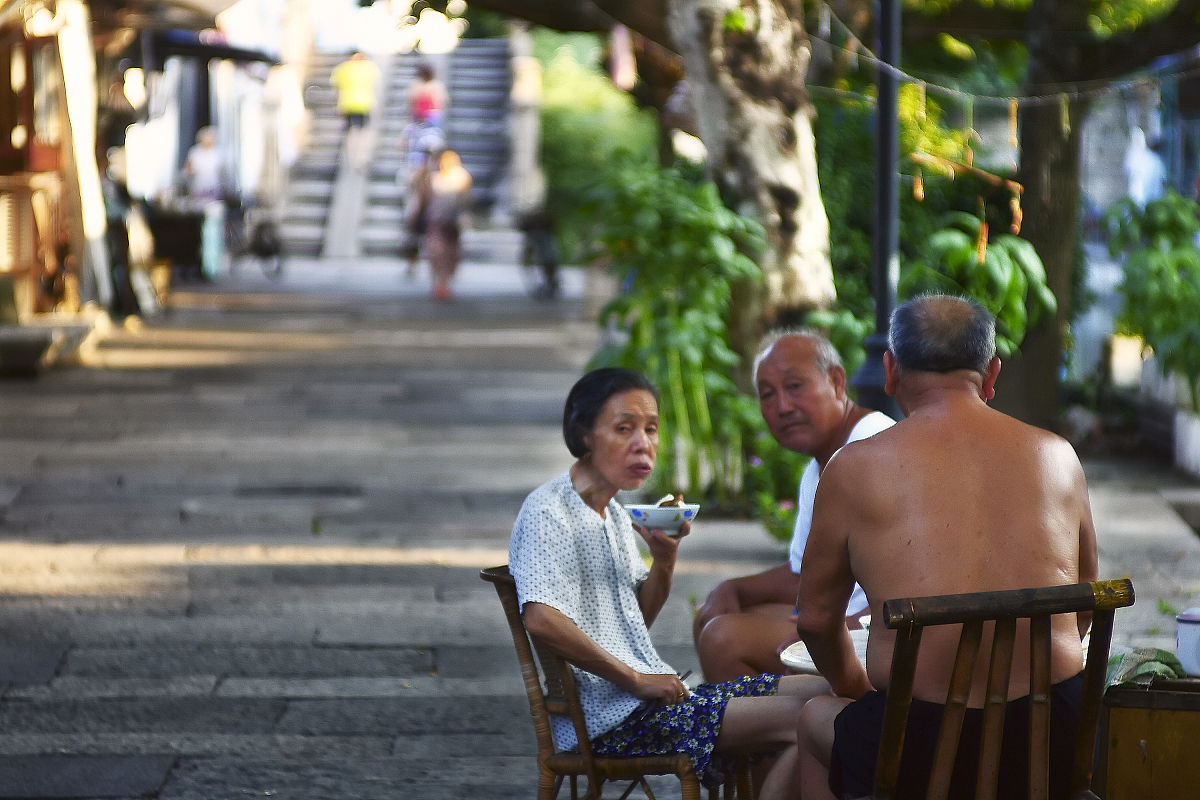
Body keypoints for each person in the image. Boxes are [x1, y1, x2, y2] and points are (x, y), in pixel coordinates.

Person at [794, 294, 1099, 800]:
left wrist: (855, 689)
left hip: (918, 746)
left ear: (890, 371)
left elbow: (814, 621)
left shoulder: (851, 468)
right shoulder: (1059, 456)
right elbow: (1084, 603)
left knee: (811, 722)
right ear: (992, 373)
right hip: (1052, 742)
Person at [510, 368, 829, 799]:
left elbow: (634, 621)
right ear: (584, 434)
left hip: (659, 703)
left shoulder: (616, 515)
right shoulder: (549, 511)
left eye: (651, 429)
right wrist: (636, 680)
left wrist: (664, 561)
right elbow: (541, 618)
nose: (644, 444)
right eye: (624, 429)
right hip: (613, 723)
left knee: (825, 689)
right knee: (813, 720)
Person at [692, 330, 894, 682]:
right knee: (709, 616)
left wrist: (837, 631)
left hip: (878, 633)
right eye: (768, 395)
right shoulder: (818, 465)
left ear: (836, 381)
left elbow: (914, 575)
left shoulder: (874, 446)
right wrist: (732, 589)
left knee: (723, 639)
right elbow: (804, 574)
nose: (782, 407)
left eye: (795, 386)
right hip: (835, 617)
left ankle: (787, 732)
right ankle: (784, 730)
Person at [422, 149, 472, 302]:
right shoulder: (433, 178)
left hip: (452, 221)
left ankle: (444, 283)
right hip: (436, 220)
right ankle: (438, 282)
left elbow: (466, 200)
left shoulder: (462, 177)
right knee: (436, 251)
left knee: (450, 253)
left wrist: (464, 216)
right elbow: (424, 199)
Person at [182, 126, 227, 281]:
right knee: (198, 233)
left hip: (213, 198)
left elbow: (223, 176)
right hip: (198, 198)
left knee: (213, 233)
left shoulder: (218, 155)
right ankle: (200, 264)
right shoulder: (195, 154)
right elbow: (187, 172)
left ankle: (212, 267)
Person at [330, 51, 380, 170]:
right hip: (364, 103)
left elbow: (336, 88)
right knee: (361, 132)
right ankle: (361, 157)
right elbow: (375, 85)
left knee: (353, 132)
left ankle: (354, 158)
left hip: (349, 104)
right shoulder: (369, 67)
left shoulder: (343, 68)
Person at [408, 64, 447, 128]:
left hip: (432, 115)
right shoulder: (417, 85)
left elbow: (440, 102)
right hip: (418, 115)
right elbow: (412, 100)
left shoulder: (437, 85)